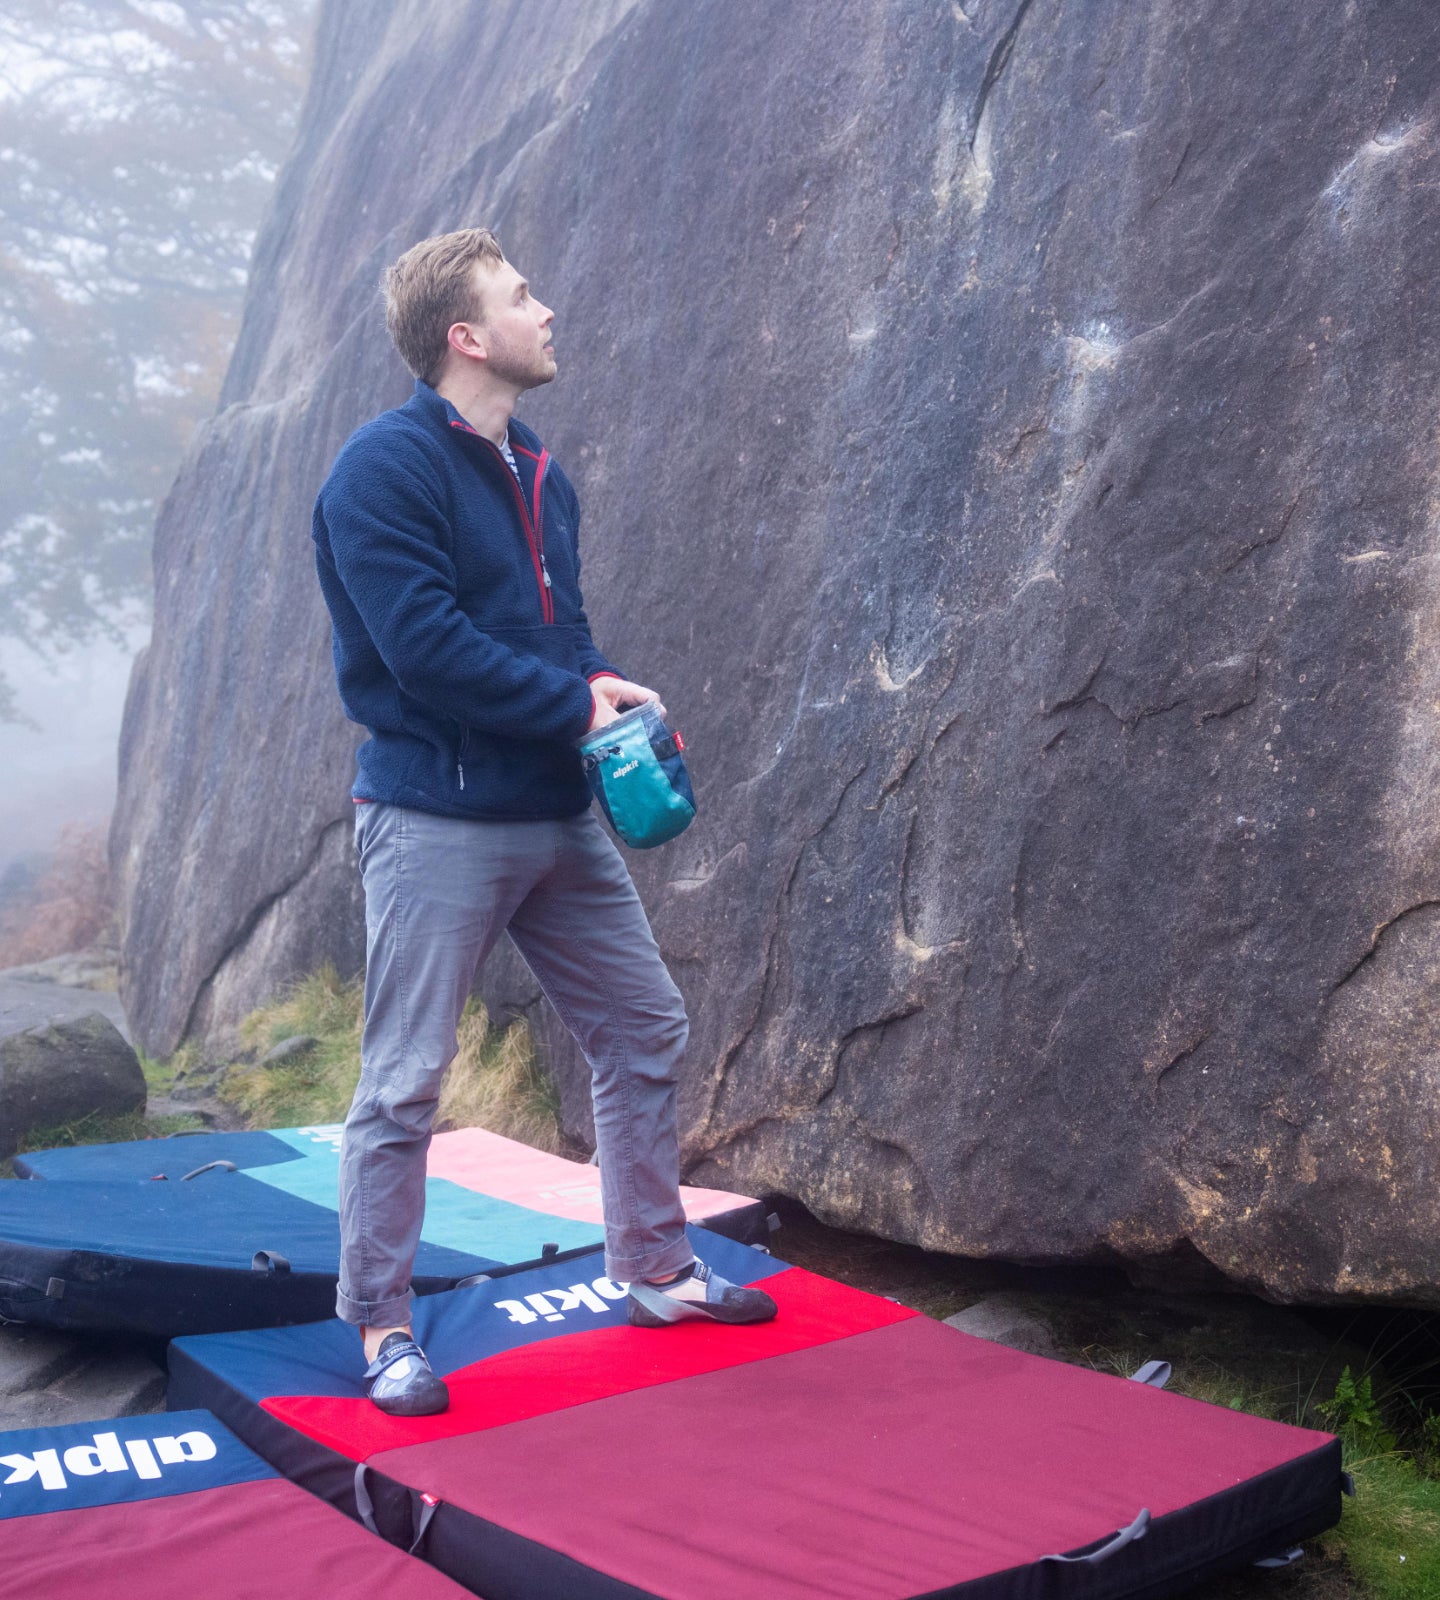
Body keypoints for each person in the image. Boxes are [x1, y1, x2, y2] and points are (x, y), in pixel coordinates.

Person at [311, 228, 776, 1416]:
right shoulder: (382, 473)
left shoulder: (539, 469)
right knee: (407, 1080)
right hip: (435, 819)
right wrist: (574, 703)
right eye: (524, 297)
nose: (548, 311)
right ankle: (381, 1326)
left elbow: (556, 641)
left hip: (558, 811)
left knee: (644, 1028)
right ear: (466, 337)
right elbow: (424, 654)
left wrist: (608, 689)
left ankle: (657, 1269)